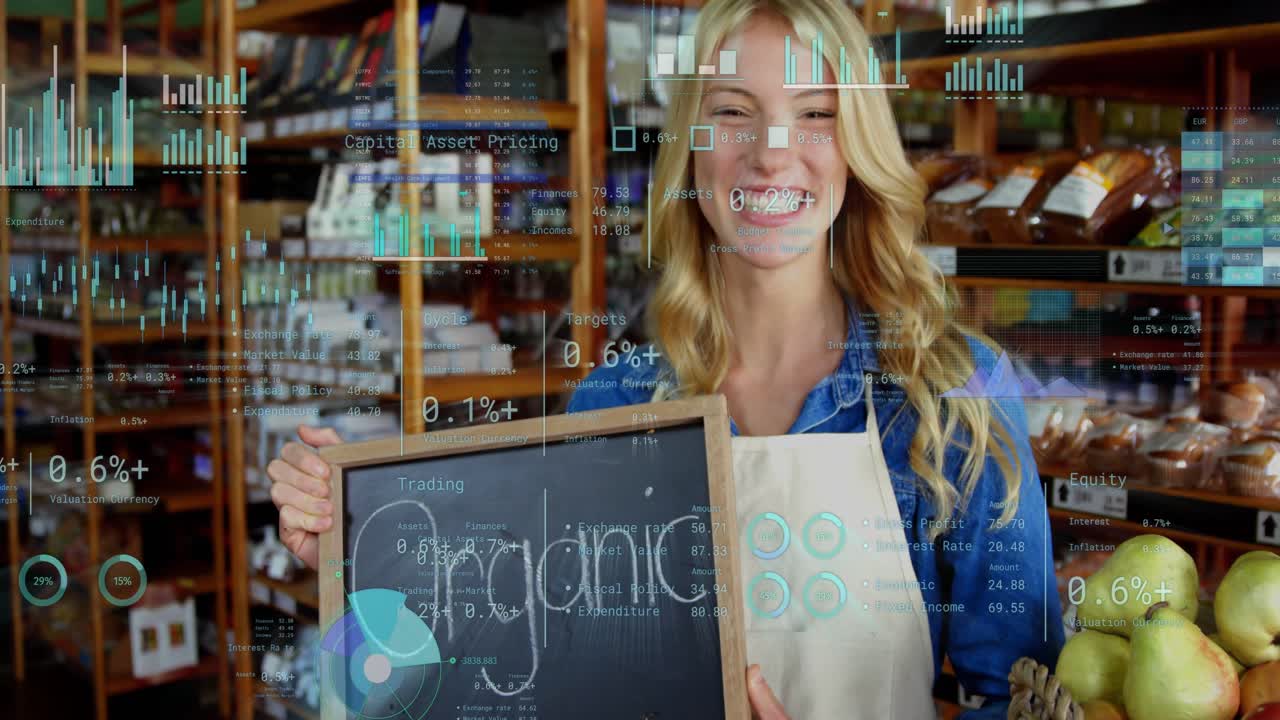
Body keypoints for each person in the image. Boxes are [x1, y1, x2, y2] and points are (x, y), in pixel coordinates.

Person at [268, 0, 1064, 717]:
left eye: (815, 113)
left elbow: (1025, 699)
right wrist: (360, 543)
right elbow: (525, 660)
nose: (771, 153)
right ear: (689, 147)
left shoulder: (953, 400)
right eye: (732, 112)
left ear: (858, 149)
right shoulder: (615, 405)